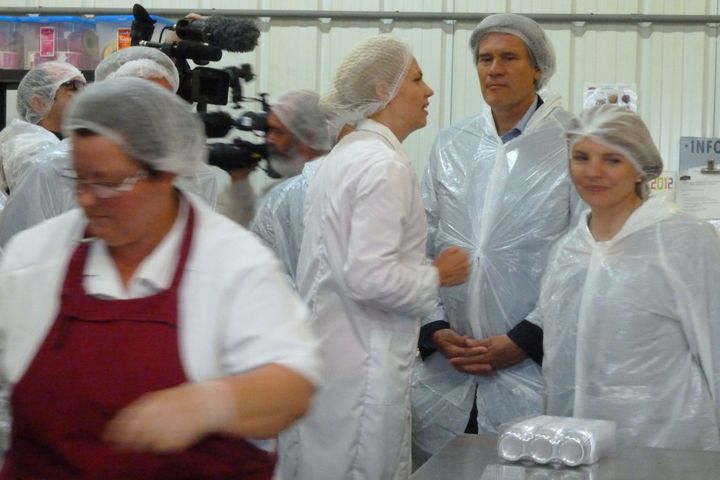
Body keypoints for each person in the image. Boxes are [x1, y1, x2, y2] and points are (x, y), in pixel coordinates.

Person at [0, 78, 320, 479]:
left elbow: (293, 387)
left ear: (166, 173)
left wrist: (209, 405)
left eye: (109, 182)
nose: (85, 198)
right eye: (81, 179)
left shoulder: (232, 263)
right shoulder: (36, 257)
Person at [280, 35, 470, 480]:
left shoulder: (340, 159)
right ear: (384, 89)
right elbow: (371, 278)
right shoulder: (384, 165)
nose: (429, 92)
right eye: (418, 80)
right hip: (365, 368)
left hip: (332, 361)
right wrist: (437, 275)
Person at [411, 13, 581, 464]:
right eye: (485, 59)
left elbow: (581, 257)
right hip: (450, 368)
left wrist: (526, 338)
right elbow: (422, 240)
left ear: (538, 67)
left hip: (532, 368)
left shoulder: (572, 143)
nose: (494, 69)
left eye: (508, 58)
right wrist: (434, 329)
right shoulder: (453, 143)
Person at [537, 104, 720, 450]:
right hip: (580, 445)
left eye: (612, 159)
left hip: (669, 445)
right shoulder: (567, 253)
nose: (593, 172)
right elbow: (555, 365)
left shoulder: (682, 241)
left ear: (640, 168)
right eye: (581, 157)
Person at [250, 89, 332, 284]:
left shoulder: (333, 188)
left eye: (279, 131)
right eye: (268, 130)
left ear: (309, 137)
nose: (269, 139)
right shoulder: (275, 196)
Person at [0, 61, 85, 194]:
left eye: (83, 88)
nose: (84, 96)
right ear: (40, 103)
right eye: (74, 88)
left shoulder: (72, 143)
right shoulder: (31, 151)